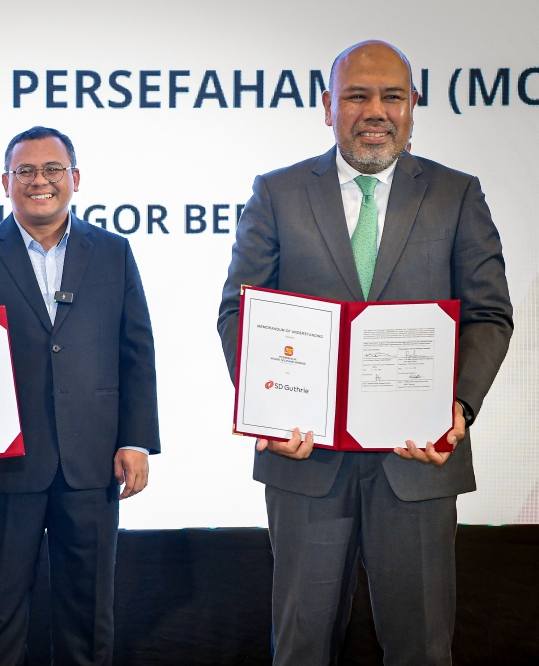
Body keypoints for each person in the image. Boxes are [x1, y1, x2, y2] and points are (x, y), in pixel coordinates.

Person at [217, 41, 513, 665]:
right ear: (328, 107)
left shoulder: (458, 194)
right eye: (356, 95)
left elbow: (488, 314)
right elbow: (240, 310)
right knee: (300, 647)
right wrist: (267, 410)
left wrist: (459, 403)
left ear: (413, 108)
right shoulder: (277, 192)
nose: (374, 110)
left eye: (391, 96)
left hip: (417, 462)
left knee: (422, 648)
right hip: (305, 459)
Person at [0, 126, 160, 665]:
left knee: (88, 615)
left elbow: (136, 349)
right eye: (26, 171)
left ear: (75, 179)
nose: (40, 181)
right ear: (5, 183)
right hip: (4, 464)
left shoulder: (113, 252)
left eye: (53, 170)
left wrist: (136, 439)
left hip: (92, 462)